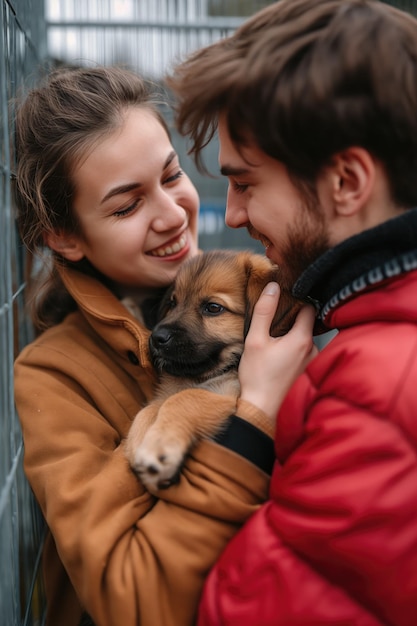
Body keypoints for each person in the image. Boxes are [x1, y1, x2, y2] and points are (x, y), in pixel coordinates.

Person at [13, 65, 316, 626]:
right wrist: (250, 421)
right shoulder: (54, 376)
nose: (175, 214)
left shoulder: (250, 290)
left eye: (172, 176)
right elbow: (135, 601)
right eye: (127, 207)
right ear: (65, 236)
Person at [166, 0, 417, 624]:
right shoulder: (368, 334)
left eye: (246, 182)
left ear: (348, 181)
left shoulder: (377, 389)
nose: (238, 214)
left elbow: (239, 608)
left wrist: (251, 421)